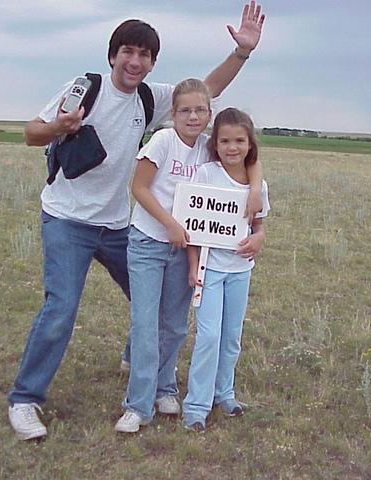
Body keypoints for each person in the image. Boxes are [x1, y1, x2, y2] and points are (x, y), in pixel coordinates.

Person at [7, 3, 267, 441]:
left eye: (144, 55)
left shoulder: (149, 97)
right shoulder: (83, 88)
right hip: (67, 220)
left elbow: (205, 91)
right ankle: (25, 399)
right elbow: (31, 132)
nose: (135, 61)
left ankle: (142, 364)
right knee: (61, 308)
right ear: (113, 56)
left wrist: (241, 52)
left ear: (151, 63)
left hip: (119, 228)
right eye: (127, 51)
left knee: (155, 306)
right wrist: (60, 126)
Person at [114, 80, 264, 433]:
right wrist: (168, 223)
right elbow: (138, 188)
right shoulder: (164, 141)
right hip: (149, 242)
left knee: (175, 324)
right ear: (173, 113)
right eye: (185, 110)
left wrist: (255, 191)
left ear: (209, 115)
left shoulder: (208, 150)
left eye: (200, 110)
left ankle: (165, 387)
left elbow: (251, 159)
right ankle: (137, 405)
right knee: (146, 325)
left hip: (185, 248)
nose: (193, 117)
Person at [182, 107, 270, 433]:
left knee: (232, 337)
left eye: (239, 141)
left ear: (249, 144)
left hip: (240, 271)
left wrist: (258, 239)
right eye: (224, 141)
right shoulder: (206, 174)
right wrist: (193, 267)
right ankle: (195, 406)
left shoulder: (257, 185)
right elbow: (193, 226)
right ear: (214, 143)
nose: (232, 148)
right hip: (209, 269)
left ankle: (225, 393)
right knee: (208, 336)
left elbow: (258, 226)